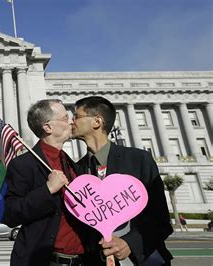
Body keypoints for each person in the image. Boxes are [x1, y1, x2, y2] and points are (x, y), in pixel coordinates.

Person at [71, 96, 173, 265]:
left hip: (143, 259)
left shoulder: (138, 159)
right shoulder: (77, 170)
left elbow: (160, 219)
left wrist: (129, 243)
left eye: (76, 116)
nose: (71, 121)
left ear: (97, 121)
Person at [2, 99, 89, 266]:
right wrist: (47, 190)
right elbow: (10, 213)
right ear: (48, 127)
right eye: (65, 118)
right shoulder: (23, 165)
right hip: (46, 260)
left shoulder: (74, 166)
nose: (71, 121)